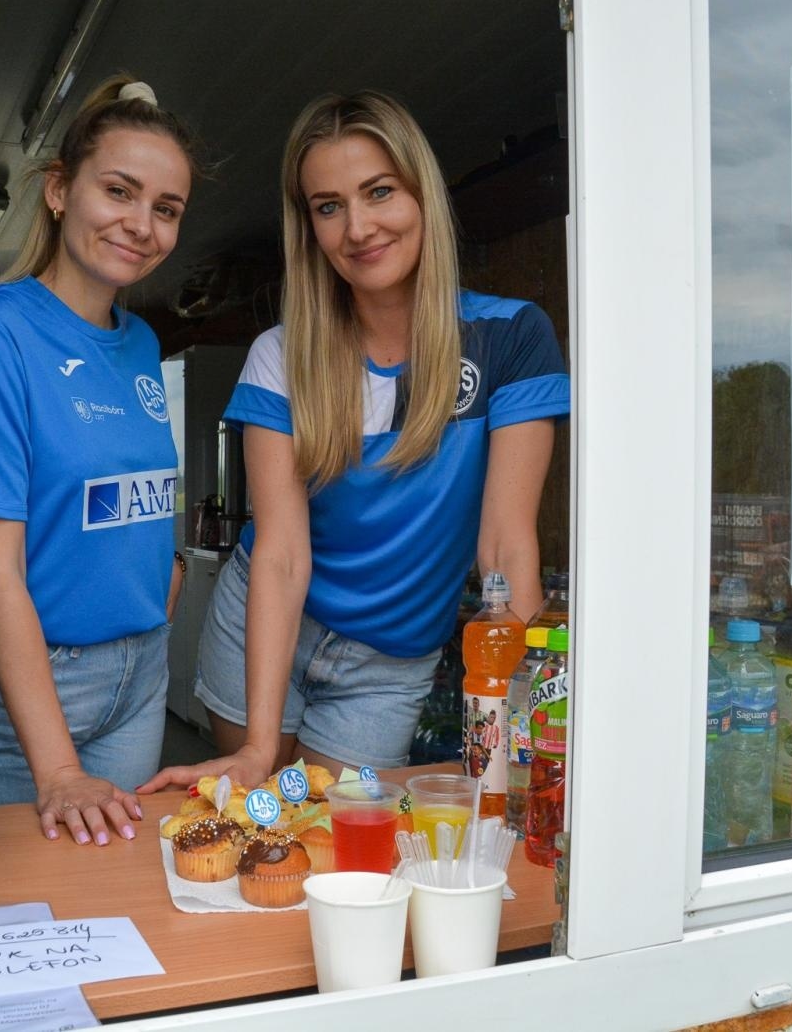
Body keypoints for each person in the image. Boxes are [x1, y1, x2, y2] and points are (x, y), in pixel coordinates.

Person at [142, 91, 569, 794]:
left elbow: (505, 545)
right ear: (307, 226)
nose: (359, 227)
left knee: (339, 849)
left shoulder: (510, 338)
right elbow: (279, 553)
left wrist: (520, 720)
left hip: (390, 663)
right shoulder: (280, 355)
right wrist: (255, 750)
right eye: (328, 206)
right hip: (271, 622)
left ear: (421, 194)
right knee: (263, 826)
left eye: (379, 192)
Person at [0, 76, 202, 845]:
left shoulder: (141, 342)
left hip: (141, 671)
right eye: (119, 190)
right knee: (21, 909)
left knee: (116, 888)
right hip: (26, 680)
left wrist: (159, 592)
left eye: (167, 209)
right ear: (58, 191)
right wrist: (58, 773)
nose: (142, 224)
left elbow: (131, 502)